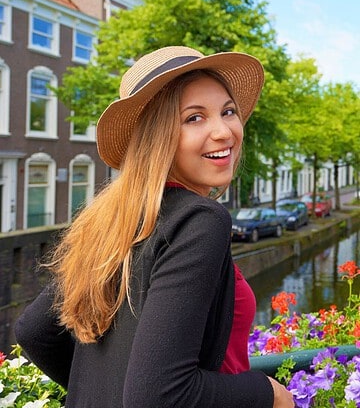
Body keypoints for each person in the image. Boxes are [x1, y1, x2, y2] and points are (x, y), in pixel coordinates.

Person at [15, 46, 294, 408]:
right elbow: (161, 397)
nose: (224, 131)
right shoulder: (200, 221)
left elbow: (34, 332)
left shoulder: (113, 221)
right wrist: (267, 392)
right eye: (194, 118)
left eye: (228, 112)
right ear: (157, 136)